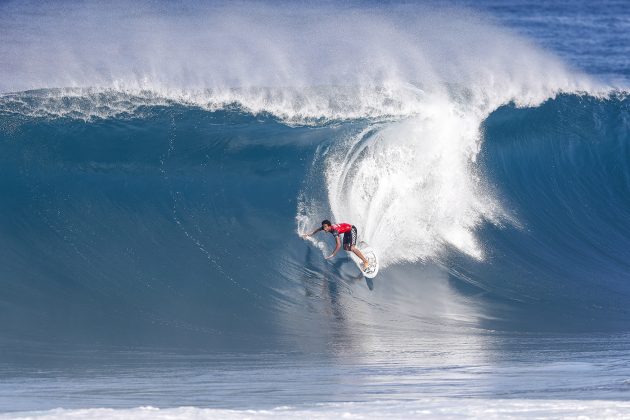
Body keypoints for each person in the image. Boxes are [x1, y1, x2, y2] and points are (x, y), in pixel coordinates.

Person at [302, 220, 370, 270]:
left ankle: (365, 261)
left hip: (352, 229)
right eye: (323, 227)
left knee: (352, 248)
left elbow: (338, 244)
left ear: (329, 226)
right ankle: (359, 244)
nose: (324, 228)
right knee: (345, 248)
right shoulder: (325, 227)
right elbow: (318, 230)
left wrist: (333, 254)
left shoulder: (334, 231)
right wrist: (309, 234)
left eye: (325, 227)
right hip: (347, 231)